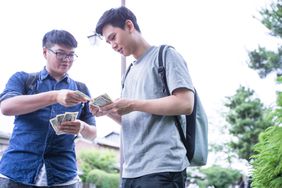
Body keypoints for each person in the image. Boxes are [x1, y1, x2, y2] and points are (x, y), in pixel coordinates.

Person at [91, 6, 195, 188]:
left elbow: (185, 103)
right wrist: (107, 111)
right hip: (131, 170)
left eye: (113, 37)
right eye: (108, 43)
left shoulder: (165, 55)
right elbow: (132, 118)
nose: (113, 45)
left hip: (162, 167)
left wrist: (133, 103)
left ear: (129, 26)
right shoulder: (128, 73)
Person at [0, 29, 96, 187]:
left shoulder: (81, 88)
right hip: (15, 171)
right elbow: (6, 107)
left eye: (71, 54)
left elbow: (92, 134)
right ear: (45, 52)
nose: (66, 59)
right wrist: (55, 96)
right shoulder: (23, 79)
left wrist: (82, 127)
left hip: (63, 176)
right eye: (60, 53)